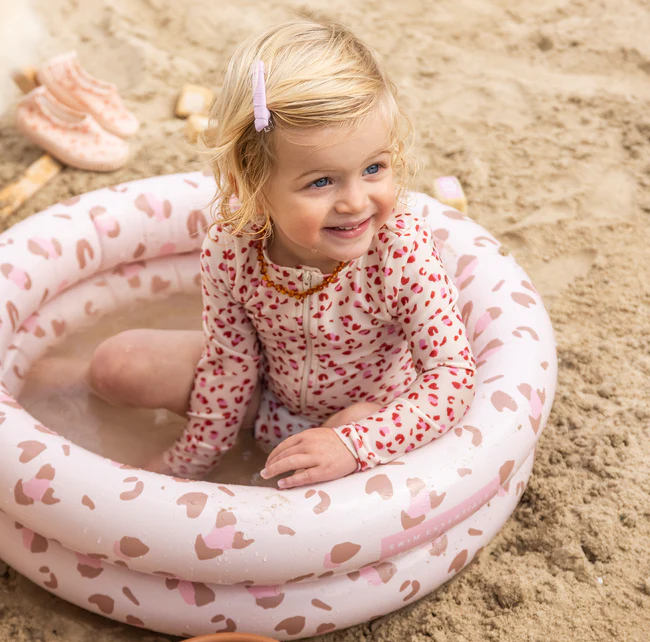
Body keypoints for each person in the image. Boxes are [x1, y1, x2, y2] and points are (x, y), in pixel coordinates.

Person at [88, 18, 476, 489]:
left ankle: (318, 469)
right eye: (321, 181)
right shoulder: (234, 249)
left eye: (374, 167)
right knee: (118, 364)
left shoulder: (399, 252)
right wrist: (192, 462)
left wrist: (355, 442)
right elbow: (230, 364)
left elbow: (452, 375)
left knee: (346, 428)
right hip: (268, 399)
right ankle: (61, 373)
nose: (356, 201)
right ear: (252, 185)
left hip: (364, 418)